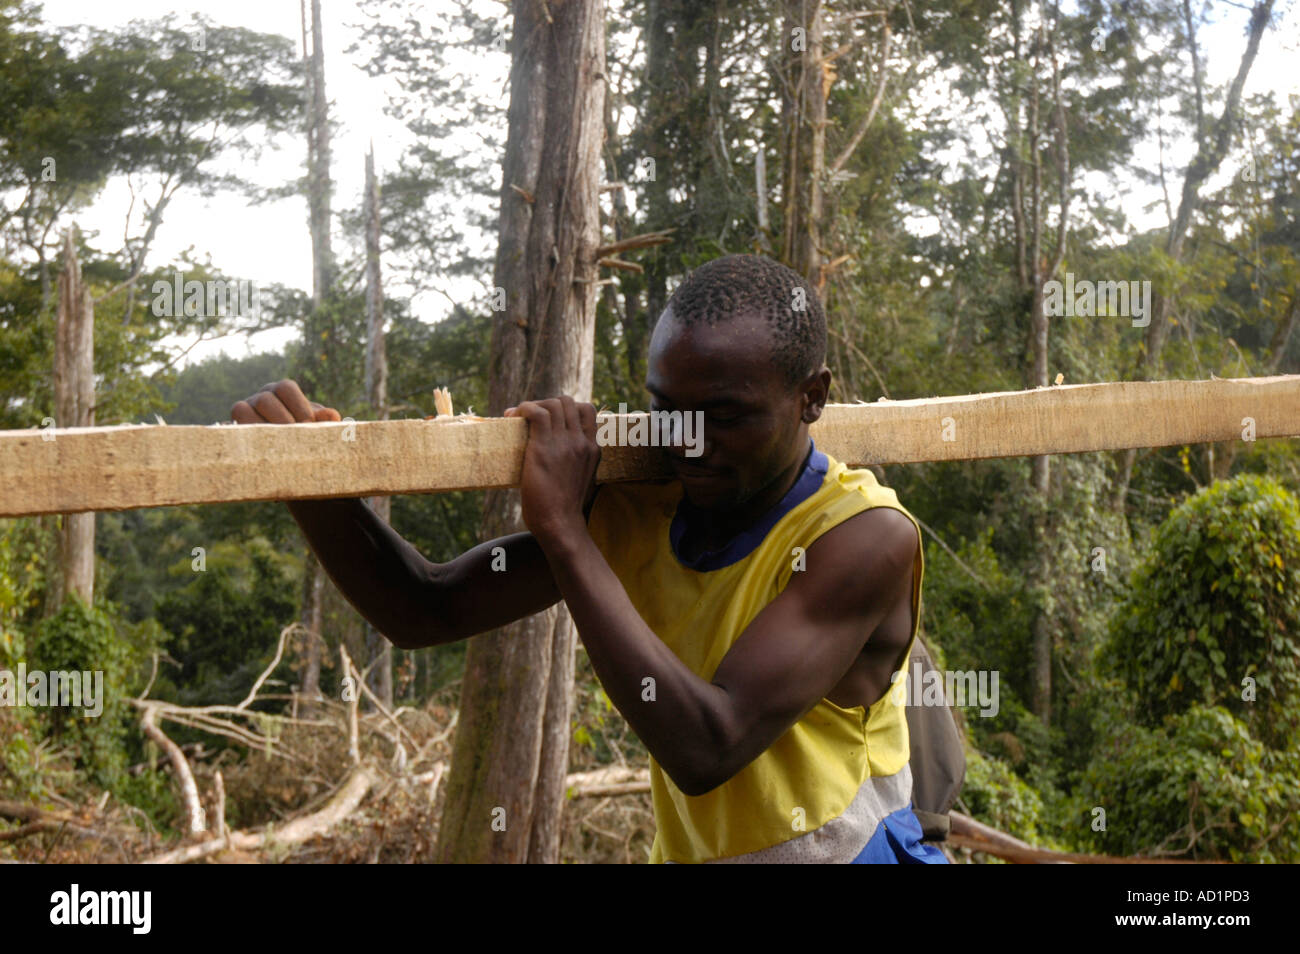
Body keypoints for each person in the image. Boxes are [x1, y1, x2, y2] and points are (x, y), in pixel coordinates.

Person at [231, 253, 947, 863]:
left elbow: (708, 745)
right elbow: (424, 608)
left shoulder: (862, 538)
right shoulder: (644, 505)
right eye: (666, 408)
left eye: (724, 417)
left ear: (811, 397)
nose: (688, 441)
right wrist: (314, 491)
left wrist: (565, 532)